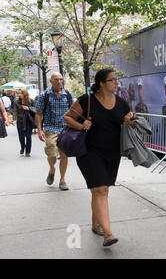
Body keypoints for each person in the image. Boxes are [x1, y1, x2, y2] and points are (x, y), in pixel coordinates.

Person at [64, 69, 134, 247]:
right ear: (101, 83)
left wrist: (132, 121)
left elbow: (130, 122)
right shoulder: (86, 101)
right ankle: (108, 233)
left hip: (112, 153)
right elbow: (67, 117)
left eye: (117, 79)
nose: (116, 82)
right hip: (89, 152)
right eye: (112, 80)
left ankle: (96, 224)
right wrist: (81, 125)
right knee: (100, 189)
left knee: (101, 190)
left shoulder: (122, 103)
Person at [35, 72, 73, 191]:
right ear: (51, 81)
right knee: (51, 152)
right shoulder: (45, 95)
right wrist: (40, 130)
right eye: (56, 79)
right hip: (50, 128)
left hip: (65, 128)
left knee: (64, 154)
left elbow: (73, 111)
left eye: (61, 79)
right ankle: (52, 169)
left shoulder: (67, 94)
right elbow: (38, 114)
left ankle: (62, 180)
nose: (59, 81)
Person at [13, 88, 36, 156]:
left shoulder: (31, 101)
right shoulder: (16, 102)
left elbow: (36, 110)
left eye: (21, 93)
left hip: (28, 121)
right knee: (21, 136)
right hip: (20, 121)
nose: (19, 94)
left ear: (25, 94)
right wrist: (14, 119)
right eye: (18, 93)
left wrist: (28, 108)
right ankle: (23, 147)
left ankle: (28, 152)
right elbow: (15, 111)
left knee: (28, 136)